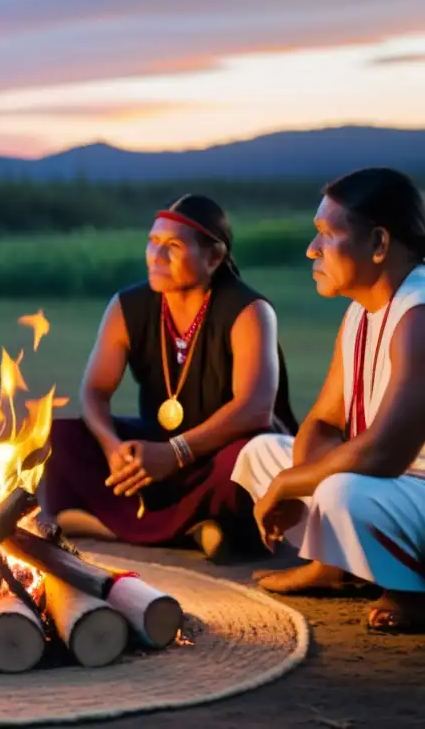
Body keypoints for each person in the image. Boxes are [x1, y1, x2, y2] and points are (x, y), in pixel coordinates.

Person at [40, 195, 299, 561]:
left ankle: (104, 524)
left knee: (245, 459)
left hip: (220, 453)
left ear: (213, 257)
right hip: (159, 448)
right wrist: (112, 447)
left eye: (173, 246)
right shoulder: (127, 305)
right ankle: (197, 530)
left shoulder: (250, 311)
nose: (156, 255)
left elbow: (255, 410)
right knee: (64, 436)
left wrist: (175, 453)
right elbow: (95, 391)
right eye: (153, 242)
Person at [232, 167, 425, 633]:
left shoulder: (418, 314)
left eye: (326, 234)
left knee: (342, 491)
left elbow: (384, 452)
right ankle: (334, 566)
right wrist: (295, 477)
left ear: (379, 243)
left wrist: (292, 485)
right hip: (387, 486)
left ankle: (414, 592)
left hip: (406, 481)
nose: (311, 250)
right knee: (261, 452)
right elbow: (322, 421)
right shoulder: (361, 312)